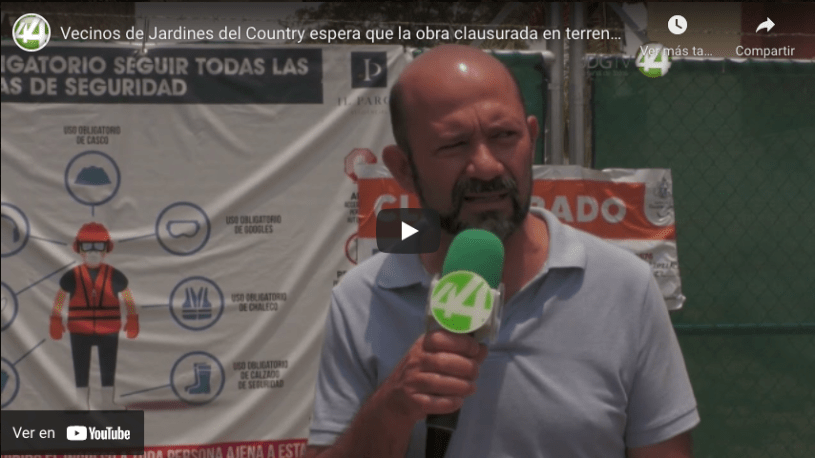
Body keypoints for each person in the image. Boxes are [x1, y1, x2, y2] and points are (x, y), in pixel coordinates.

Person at [305, 44, 699, 457]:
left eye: (504, 136)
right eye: (454, 144)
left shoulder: (625, 287)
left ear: (532, 137)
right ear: (403, 168)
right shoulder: (362, 300)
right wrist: (392, 408)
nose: (487, 165)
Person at [49, 222, 139, 410]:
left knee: (108, 366)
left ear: (106, 249)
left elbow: (127, 296)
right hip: (79, 329)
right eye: (87, 246)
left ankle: (107, 402)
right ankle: (82, 403)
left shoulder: (114, 275)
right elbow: (61, 296)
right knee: (80, 366)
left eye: (98, 246)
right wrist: (55, 319)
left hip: (109, 329)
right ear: (79, 248)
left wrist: (132, 318)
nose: (93, 251)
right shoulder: (72, 276)